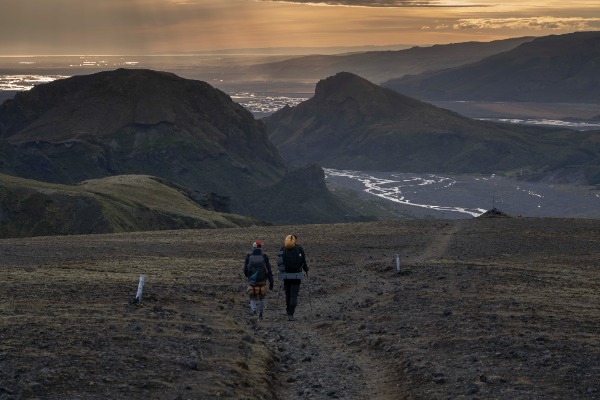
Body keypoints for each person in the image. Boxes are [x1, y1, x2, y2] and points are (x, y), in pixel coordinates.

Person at [278, 234, 308, 321]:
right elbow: (303, 261)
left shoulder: (283, 248)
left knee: (288, 294)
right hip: (296, 275)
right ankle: (291, 314)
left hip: (286, 275)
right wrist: (306, 270)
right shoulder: (299, 248)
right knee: (293, 295)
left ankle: (288, 312)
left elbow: (280, 262)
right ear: (295, 240)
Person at [243, 241, 273, 320]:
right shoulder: (264, 256)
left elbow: (245, 269)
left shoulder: (249, 256)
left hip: (252, 280)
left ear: (253, 247)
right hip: (262, 280)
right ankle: (261, 313)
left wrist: (249, 276)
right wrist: (271, 281)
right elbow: (269, 270)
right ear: (260, 247)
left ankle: (253, 310)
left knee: (252, 296)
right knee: (261, 297)